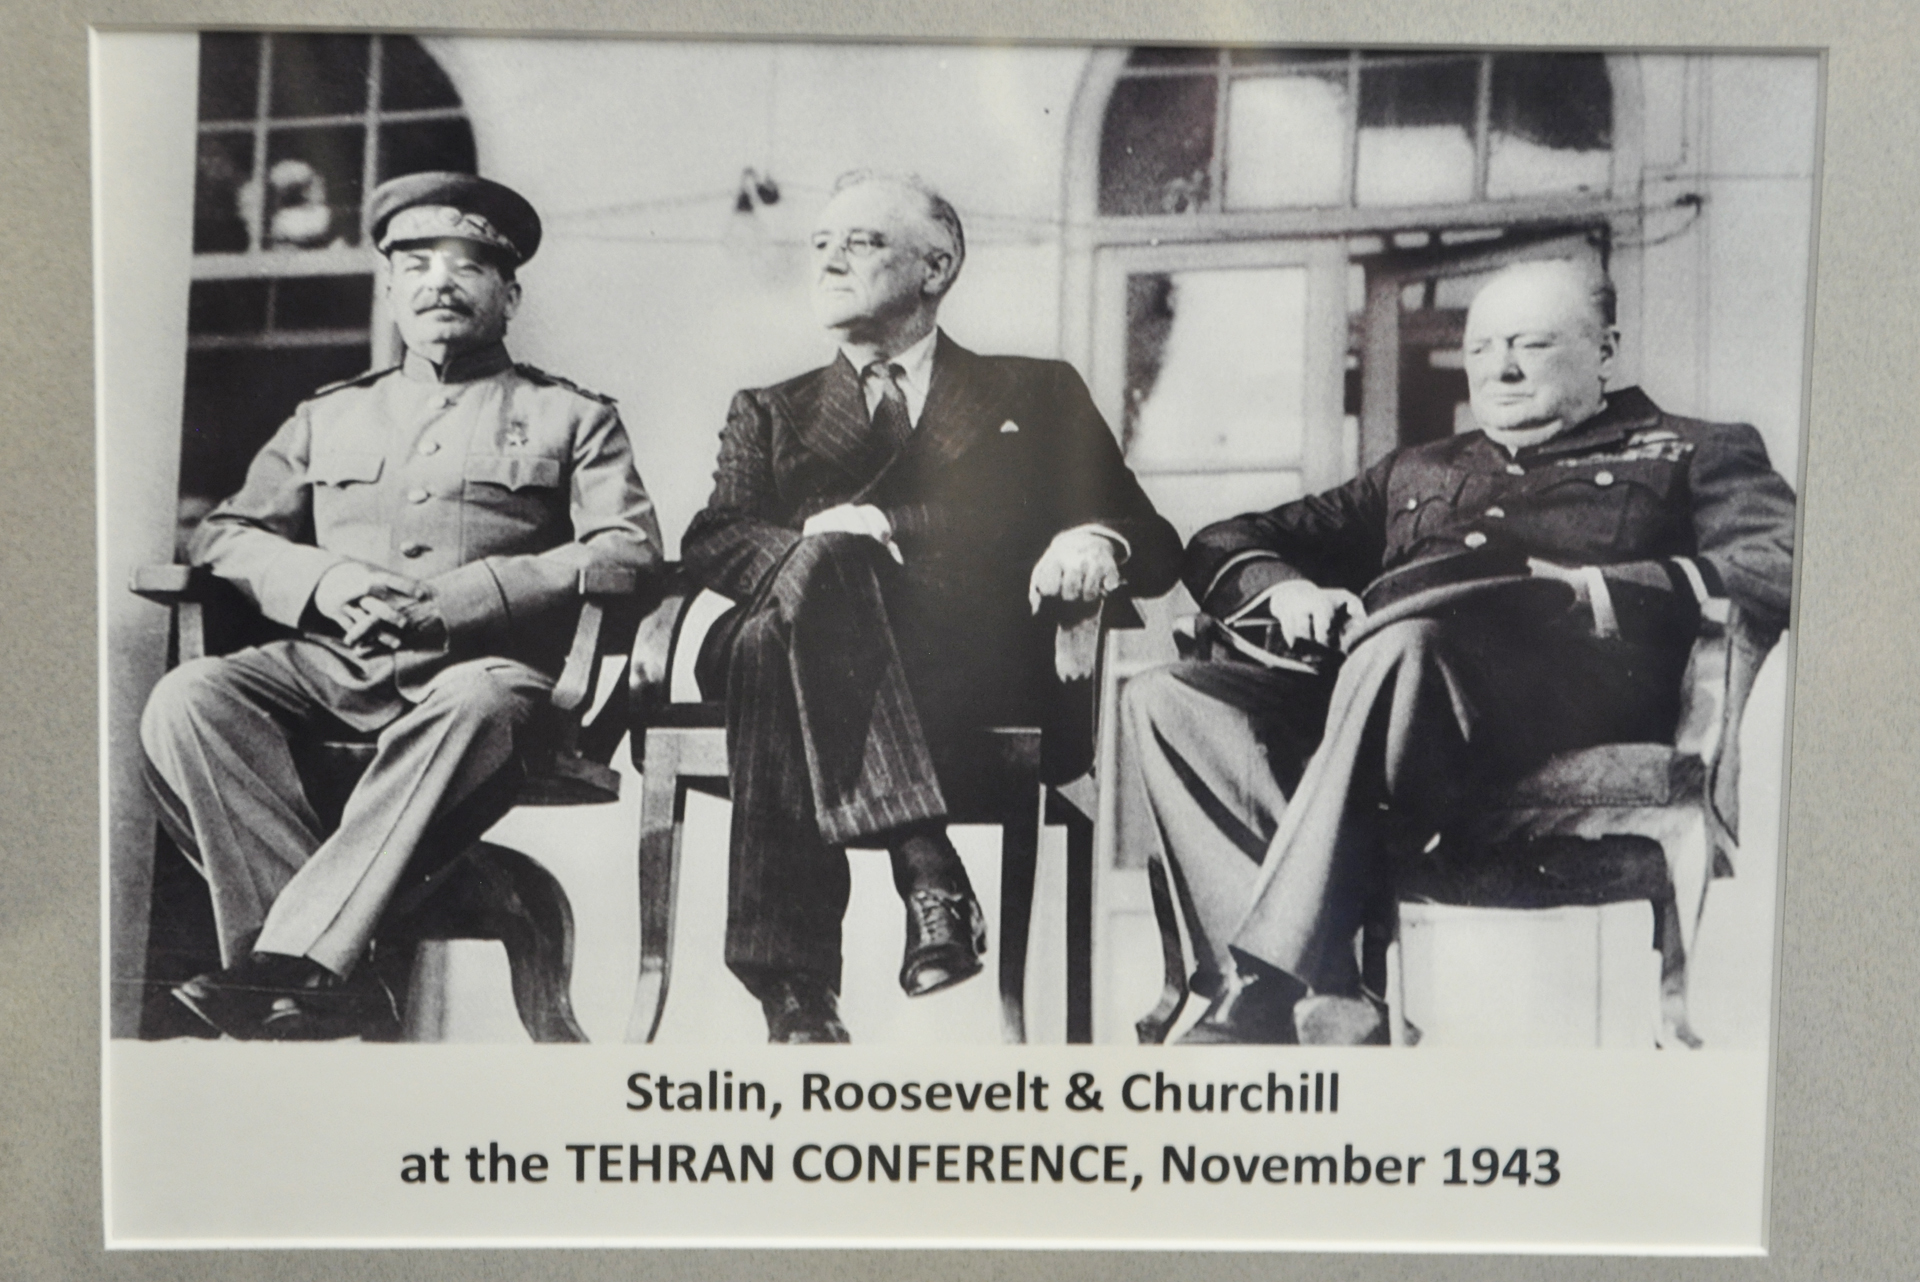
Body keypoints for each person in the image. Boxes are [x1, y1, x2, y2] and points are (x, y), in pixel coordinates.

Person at [1122, 258, 1797, 1045]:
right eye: (1482, 349)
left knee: (1406, 642)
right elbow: (1225, 540)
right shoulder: (1420, 469)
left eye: (1532, 345)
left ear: (1605, 350)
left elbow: (1783, 559)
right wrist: (1289, 593)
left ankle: (1268, 988)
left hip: (1550, 709)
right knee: (1169, 696)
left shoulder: (1693, 449)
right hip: (1388, 705)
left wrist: (1597, 591)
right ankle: (1333, 991)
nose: (1501, 369)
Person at [141, 171, 662, 1039]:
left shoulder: (571, 417)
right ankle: (307, 973)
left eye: (468, 265)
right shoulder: (330, 416)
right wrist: (325, 582)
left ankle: (285, 966)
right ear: (391, 288)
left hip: (482, 681)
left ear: (509, 294)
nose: (439, 283)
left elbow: (628, 549)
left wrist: (461, 601)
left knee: (475, 699)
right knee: (190, 696)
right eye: (416, 264)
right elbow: (227, 533)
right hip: (334, 668)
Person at [684, 171, 1181, 1042]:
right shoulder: (769, 409)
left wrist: (1094, 540)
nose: (829, 261)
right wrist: (819, 550)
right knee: (814, 579)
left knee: (770, 642)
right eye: (821, 244)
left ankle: (796, 995)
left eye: (862, 242)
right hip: (824, 644)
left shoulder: (1034, 391)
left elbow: (1153, 536)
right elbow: (714, 540)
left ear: (937, 267)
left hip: (964, 656)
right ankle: (927, 866)